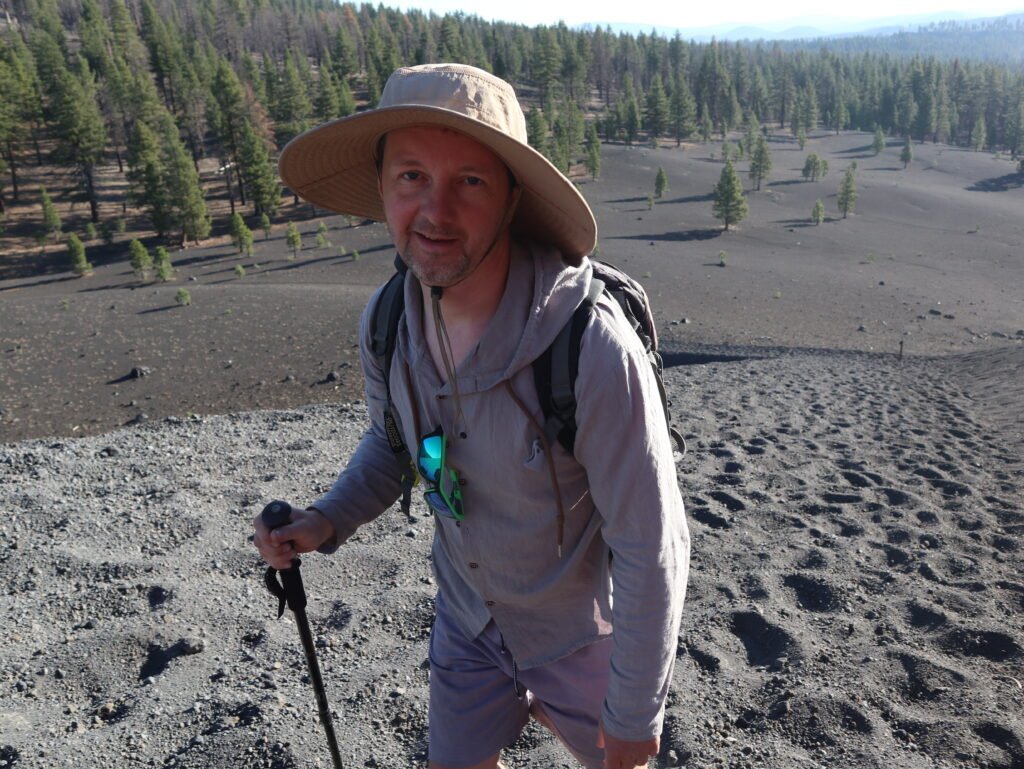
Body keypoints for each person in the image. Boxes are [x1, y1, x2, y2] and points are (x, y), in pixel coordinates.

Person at [253, 63, 689, 769]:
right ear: (382, 186)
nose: (436, 210)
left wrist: (636, 715)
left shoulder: (590, 348)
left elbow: (652, 545)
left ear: (512, 197)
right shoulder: (388, 322)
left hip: (583, 634)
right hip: (468, 621)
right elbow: (394, 445)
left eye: (471, 181)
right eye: (411, 176)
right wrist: (326, 519)